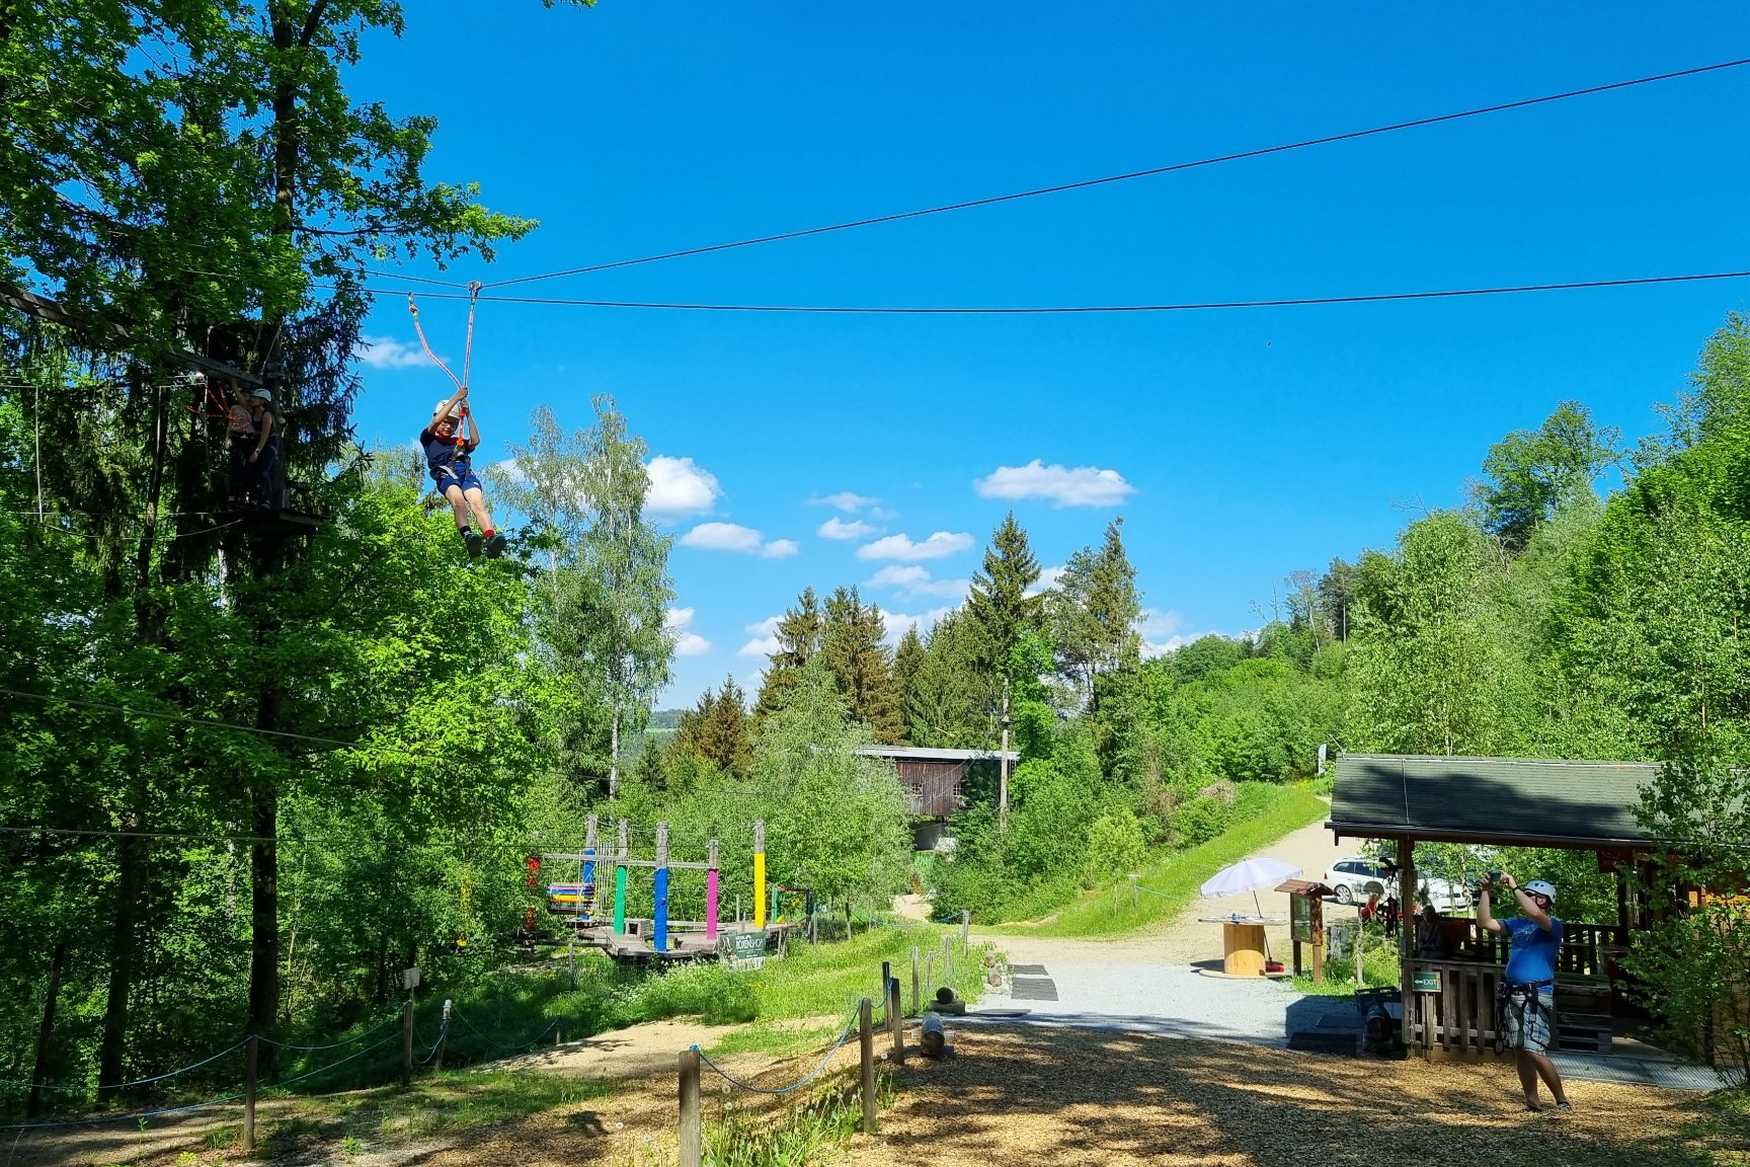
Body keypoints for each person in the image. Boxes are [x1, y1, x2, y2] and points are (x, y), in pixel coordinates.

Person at [1478, 873, 1571, 1112]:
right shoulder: (1518, 925)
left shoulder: (1553, 926)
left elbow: (1535, 914)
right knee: (1520, 1049)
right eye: (1527, 895)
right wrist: (1486, 892)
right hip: (1514, 993)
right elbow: (1485, 922)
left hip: (1536, 994)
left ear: (1544, 901)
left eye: (1532, 896)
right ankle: (1532, 1102)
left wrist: (1516, 888)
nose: (1526, 898)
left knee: (1534, 1048)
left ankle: (1562, 1100)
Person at [420, 386, 504, 557]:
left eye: (453, 424)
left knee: (477, 501)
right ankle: (468, 536)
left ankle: (490, 537)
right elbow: (436, 422)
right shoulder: (428, 438)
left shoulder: (458, 442)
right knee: (458, 500)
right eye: (446, 422)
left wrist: (468, 414)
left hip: (465, 474)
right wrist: (456, 398)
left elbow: (476, 440)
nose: (448, 426)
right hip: (446, 474)